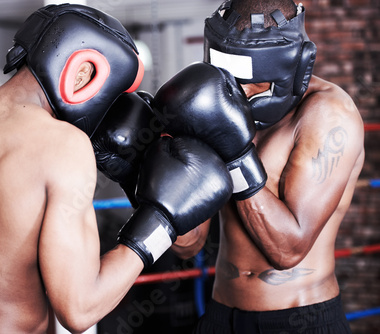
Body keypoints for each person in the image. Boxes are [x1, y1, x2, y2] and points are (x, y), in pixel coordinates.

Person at [0, 4, 234, 334]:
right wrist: (160, 224)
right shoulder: (62, 145)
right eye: (112, 96)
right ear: (84, 72)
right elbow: (79, 311)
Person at [152, 0, 364, 333]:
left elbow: (288, 250)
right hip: (222, 314)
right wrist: (146, 175)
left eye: (256, 81)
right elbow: (189, 244)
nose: (241, 91)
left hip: (299, 318)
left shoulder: (328, 114)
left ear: (293, 66)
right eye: (232, 78)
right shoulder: (216, 104)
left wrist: (234, 153)